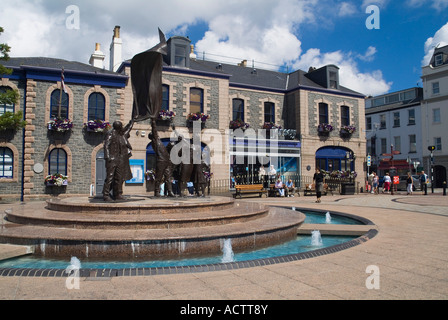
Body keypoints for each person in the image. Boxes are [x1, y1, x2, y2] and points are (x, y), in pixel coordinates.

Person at [102, 120, 134, 201]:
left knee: (119, 178)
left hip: (119, 159)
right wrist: (108, 157)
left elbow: (128, 128)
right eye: (121, 126)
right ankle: (106, 195)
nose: (122, 127)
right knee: (110, 177)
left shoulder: (121, 135)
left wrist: (132, 121)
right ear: (118, 127)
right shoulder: (110, 133)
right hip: (112, 159)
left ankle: (118, 194)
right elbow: (106, 146)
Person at [147, 119, 175, 197]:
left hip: (166, 160)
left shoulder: (159, 141)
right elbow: (155, 131)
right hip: (161, 161)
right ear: (153, 136)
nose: (157, 135)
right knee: (159, 177)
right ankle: (156, 192)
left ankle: (170, 191)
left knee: (168, 177)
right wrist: (153, 122)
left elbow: (165, 150)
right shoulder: (155, 140)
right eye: (155, 134)